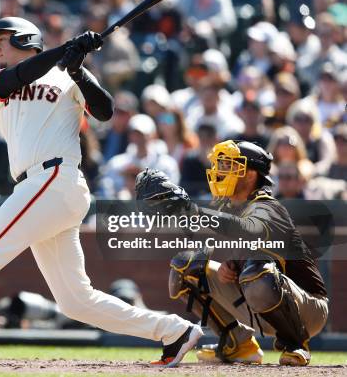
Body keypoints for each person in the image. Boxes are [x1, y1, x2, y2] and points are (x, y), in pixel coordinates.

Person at [0, 17, 202, 366]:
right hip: (39, 188)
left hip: (56, 178)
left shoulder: (66, 74)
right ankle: (174, 331)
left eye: (2, 40)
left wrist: (78, 70)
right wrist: (63, 51)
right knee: (75, 301)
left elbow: (105, 110)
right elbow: (18, 77)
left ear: (26, 38)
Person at [139, 140, 328, 366]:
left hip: (309, 309)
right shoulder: (225, 205)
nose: (219, 171)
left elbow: (249, 229)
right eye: (219, 164)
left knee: (258, 272)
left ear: (249, 174)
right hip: (260, 298)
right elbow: (199, 237)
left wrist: (195, 212)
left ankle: (296, 344)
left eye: (227, 165)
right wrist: (176, 207)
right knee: (186, 265)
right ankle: (237, 343)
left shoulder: (268, 206)